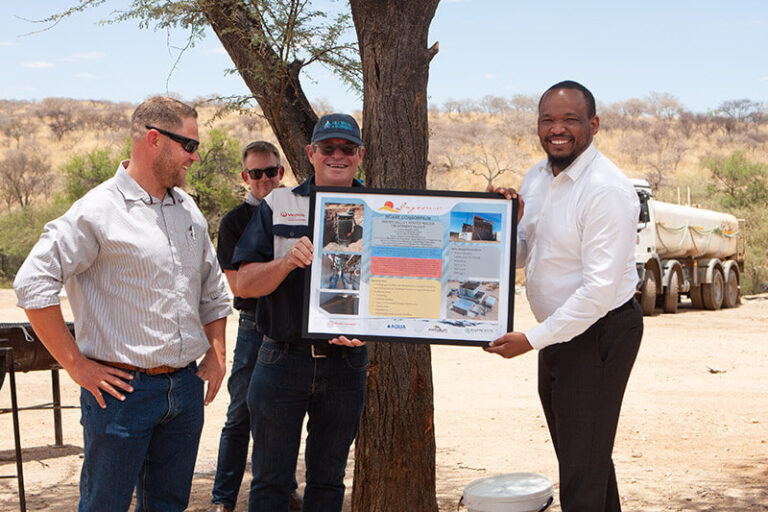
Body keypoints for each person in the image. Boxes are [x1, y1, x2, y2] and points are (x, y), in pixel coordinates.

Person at [13, 97, 232, 512]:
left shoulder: (187, 210)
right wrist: (76, 365)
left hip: (184, 392)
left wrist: (217, 353)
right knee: (105, 505)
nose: (195, 157)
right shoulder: (97, 211)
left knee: (168, 506)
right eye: (189, 145)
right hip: (121, 394)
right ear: (154, 139)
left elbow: (213, 289)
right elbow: (32, 283)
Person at [486, 81, 643, 512]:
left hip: (599, 333)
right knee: (583, 456)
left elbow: (598, 291)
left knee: (581, 465)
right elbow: (521, 255)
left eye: (570, 120)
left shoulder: (605, 189)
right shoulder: (536, 178)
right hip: (561, 334)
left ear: (592, 125)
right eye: (548, 120)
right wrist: (497, 224)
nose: (558, 129)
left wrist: (532, 340)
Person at [232, 113, 368, 512]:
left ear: (360, 155)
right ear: (311, 153)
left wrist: (369, 329)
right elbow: (244, 284)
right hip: (281, 361)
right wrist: (287, 262)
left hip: (346, 364)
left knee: (328, 481)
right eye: (328, 148)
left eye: (347, 148)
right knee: (270, 482)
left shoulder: (383, 208)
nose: (337, 156)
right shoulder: (280, 203)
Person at [209, 141, 302, 511]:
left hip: (290, 323)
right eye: (255, 173)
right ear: (245, 176)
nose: (264, 179)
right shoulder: (234, 222)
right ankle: (223, 498)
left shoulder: (297, 212)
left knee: (286, 413)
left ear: (281, 173)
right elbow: (236, 284)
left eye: (271, 172)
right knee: (241, 412)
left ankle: (287, 491)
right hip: (253, 324)